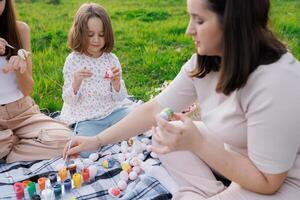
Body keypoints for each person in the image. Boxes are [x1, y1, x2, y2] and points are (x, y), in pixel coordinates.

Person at [63, 0, 300, 199]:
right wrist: (96, 140)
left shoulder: (275, 80)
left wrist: (198, 144)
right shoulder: (207, 62)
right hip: (237, 157)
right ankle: (208, 191)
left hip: (281, 181)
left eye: (199, 20)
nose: (189, 30)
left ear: (232, 21)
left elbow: (269, 182)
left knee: (184, 138)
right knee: (167, 131)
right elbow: (152, 109)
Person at [0, 0, 71, 163]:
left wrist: (20, 69)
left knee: (65, 139)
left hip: (22, 112)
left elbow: (27, 90)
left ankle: (9, 149)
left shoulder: (20, 30)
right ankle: (16, 143)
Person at [60, 3, 131, 156]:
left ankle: (109, 133)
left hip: (111, 111)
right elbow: (69, 100)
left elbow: (120, 97)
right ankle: (106, 135)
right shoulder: (73, 61)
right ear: (80, 33)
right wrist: (76, 82)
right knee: (86, 152)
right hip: (87, 117)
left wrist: (117, 84)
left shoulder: (111, 59)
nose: (96, 40)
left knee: (137, 122)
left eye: (101, 34)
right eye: (90, 35)